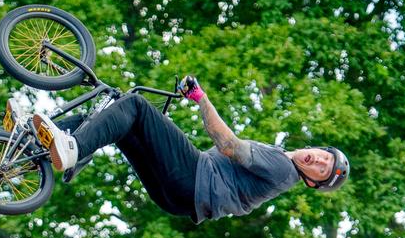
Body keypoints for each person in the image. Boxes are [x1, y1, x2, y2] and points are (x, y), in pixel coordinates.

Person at [33, 76, 349, 224]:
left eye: (321, 169)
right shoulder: (280, 160)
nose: (319, 160)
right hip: (177, 199)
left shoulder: (283, 168)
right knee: (122, 122)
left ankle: (73, 149)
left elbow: (228, 146)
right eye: (324, 156)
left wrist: (201, 98)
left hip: (194, 180)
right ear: (315, 147)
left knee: (136, 106)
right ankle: (40, 151)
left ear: (310, 181)